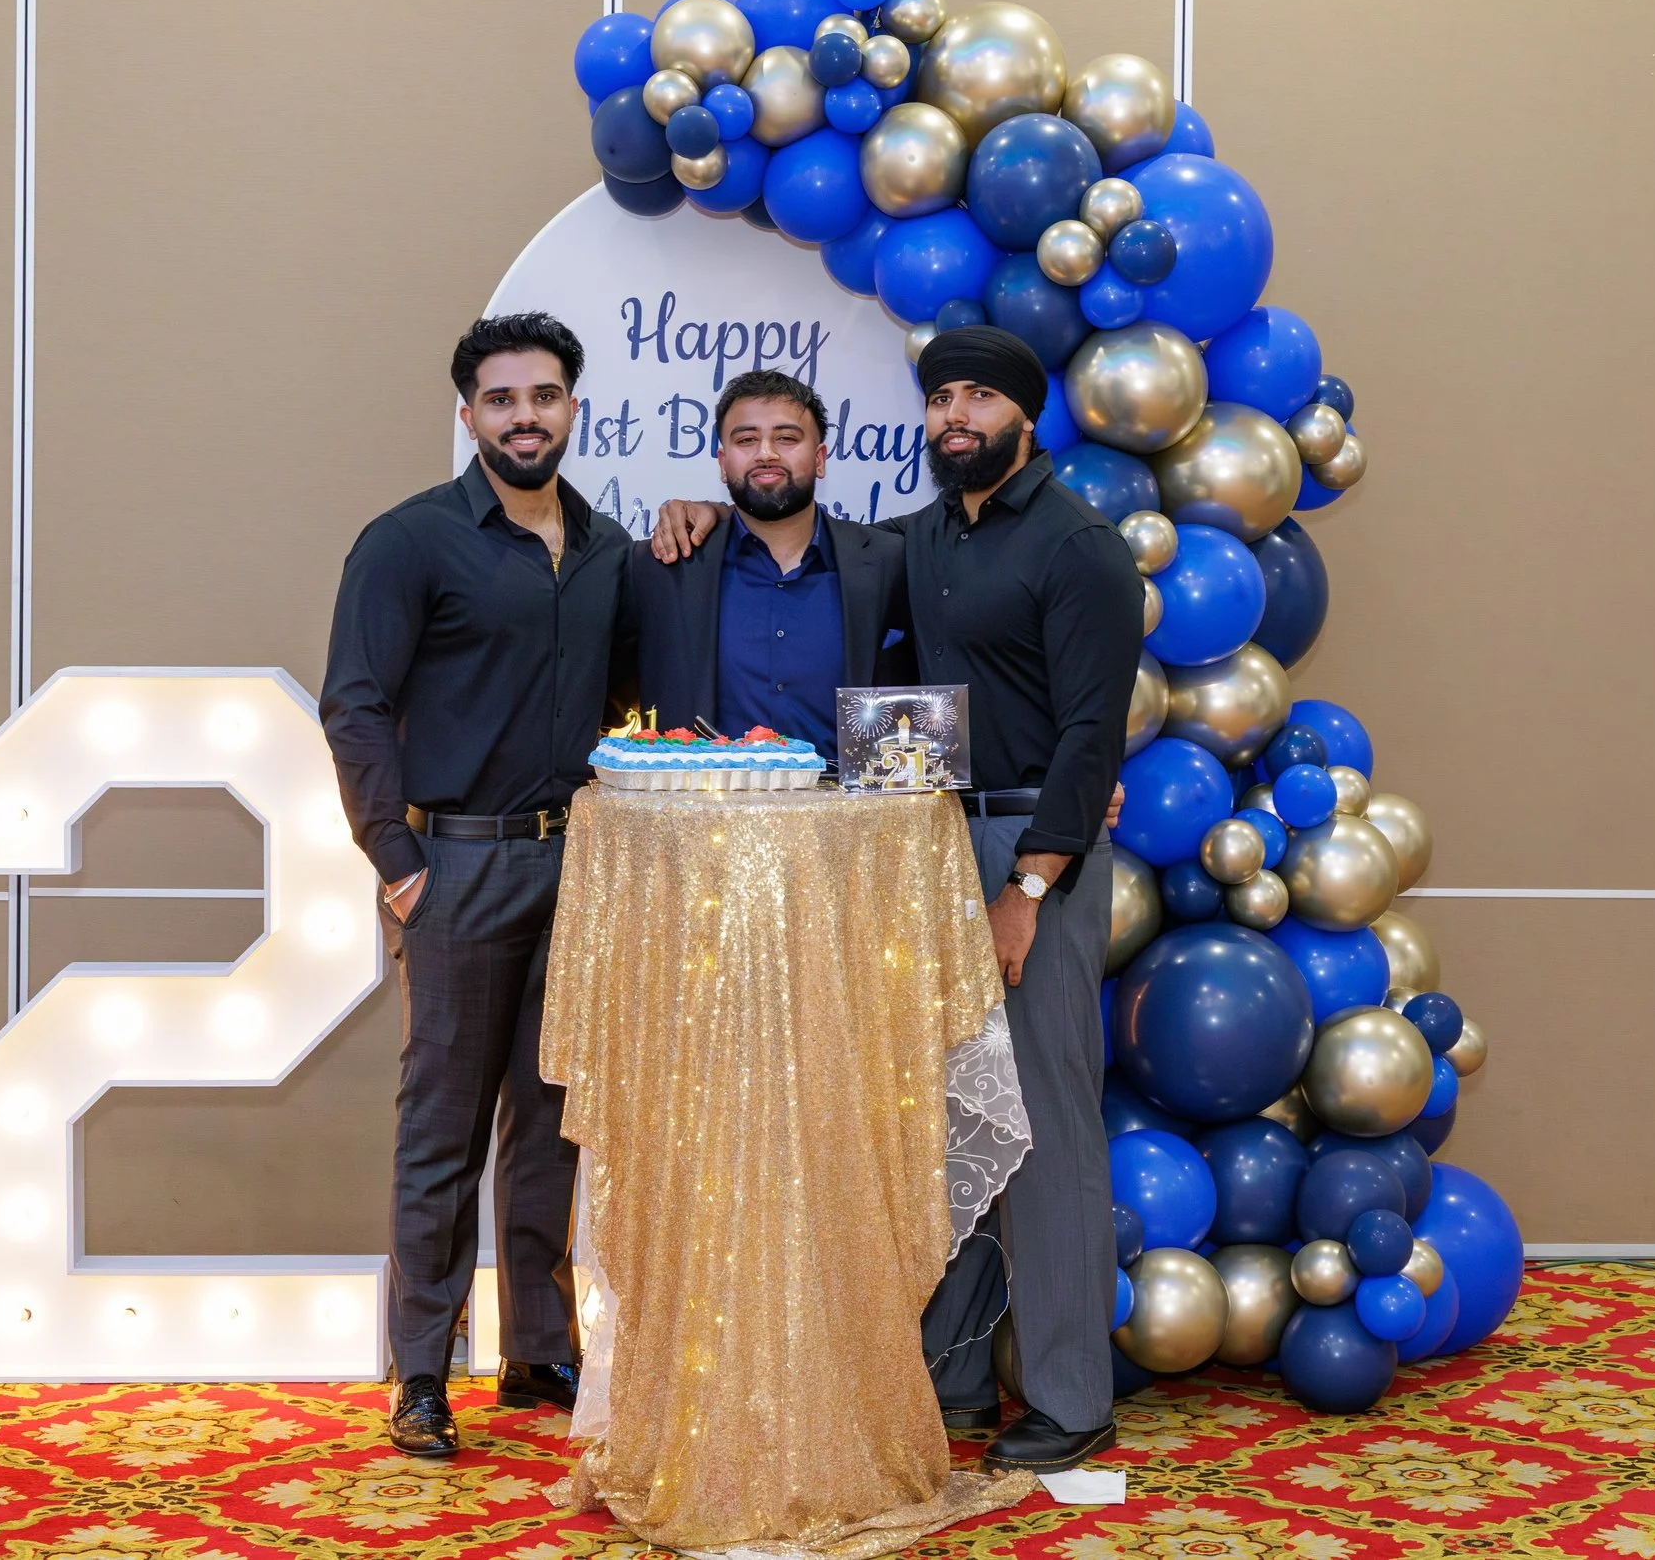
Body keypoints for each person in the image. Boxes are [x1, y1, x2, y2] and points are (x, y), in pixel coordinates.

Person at [651, 326, 1142, 1473]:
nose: (953, 417)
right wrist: (705, 514)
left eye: (978, 397)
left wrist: (1031, 882)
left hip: (1032, 854)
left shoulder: (1079, 547)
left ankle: (1071, 1394)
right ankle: (959, 1371)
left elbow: (1090, 731)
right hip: (919, 844)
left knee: (1050, 1123)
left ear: (1026, 417)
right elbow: (810, 567)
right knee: (957, 1114)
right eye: (939, 399)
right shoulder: (923, 541)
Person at [320, 311, 635, 1459]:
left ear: (571, 408)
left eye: (544, 396)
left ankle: (538, 1346)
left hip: (583, 861)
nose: (524, 417)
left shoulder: (604, 549)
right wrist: (398, 867)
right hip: (452, 862)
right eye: (501, 400)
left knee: (556, 1117)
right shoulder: (407, 542)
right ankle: (418, 1372)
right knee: (441, 1125)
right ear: (469, 415)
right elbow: (352, 703)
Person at [629, 366, 913, 744]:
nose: (765, 454)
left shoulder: (888, 562)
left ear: (820, 458)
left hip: (849, 802)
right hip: (700, 800)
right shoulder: (663, 565)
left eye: (786, 438)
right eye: (746, 440)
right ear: (722, 461)